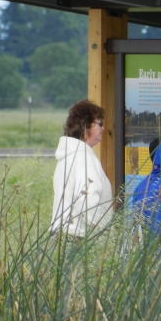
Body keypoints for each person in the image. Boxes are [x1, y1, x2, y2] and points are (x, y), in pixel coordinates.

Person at [50, 99, 113, 238]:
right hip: (80, 239)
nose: (103, 128)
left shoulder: (66, 157)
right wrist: (105, 235)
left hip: (61, 237)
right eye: (99, 123)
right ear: (85, 126)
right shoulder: (85, 159)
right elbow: (87, 203)